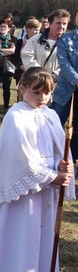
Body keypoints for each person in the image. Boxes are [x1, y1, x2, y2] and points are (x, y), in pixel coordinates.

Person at [0, 67, 74, 272]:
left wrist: (63, 166)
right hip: (23, 193)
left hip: (46, 190)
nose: (42, 98)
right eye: (37, 92)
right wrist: (51, 176)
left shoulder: (50, 116)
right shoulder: (15, 116)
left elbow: (60, 149)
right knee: (21, 234)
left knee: (42, 234)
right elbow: (22, 158)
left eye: (47, 93)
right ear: (22, 88)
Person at [53, 10, 78, 160]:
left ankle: (71, 159)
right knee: (53, 123)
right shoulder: (66, 39)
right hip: (65, 92)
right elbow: (64, 64)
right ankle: (46, 155)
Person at [21, 9, 69, 81]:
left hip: (59, 86)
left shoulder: (71, 43)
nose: (61, 26)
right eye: (58, 23)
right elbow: (27, 57)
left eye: (64, 24)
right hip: (35, 83)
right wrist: (41, 75)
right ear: (50, 23)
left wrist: (53, 76)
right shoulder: (35, 40)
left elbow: (70, 65)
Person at [0, 19, 16, 110]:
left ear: (9, 28)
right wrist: (5, 51)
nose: (3, 28)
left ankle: (6, 107)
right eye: (1, 26)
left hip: (7, 67)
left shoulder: (12, 39)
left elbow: (12, 51)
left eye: (5, 27)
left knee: (6, 88)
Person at [13, 18, 41, 84]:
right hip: (21, 72)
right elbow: (16, 57)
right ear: (28, 29)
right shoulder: (20, 42)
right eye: (35, 30)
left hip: (36, 72)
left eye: (39, 30)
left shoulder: (40, 43)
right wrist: (20, 66)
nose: (37, 32)